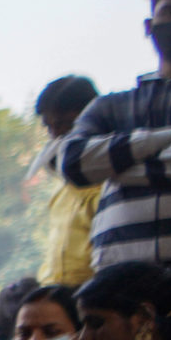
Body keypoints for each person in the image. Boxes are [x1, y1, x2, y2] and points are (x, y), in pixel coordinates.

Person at [61, 0, 171, 306]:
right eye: (170, 10)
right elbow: (73, 163)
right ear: (150, 26)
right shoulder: (111, 105)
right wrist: (170, 137)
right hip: (120, 269)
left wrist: (118, 166)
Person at [35, 76, 101, 290]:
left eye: (64, 124)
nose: (55, 134)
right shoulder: (61, 183)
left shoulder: (111, 179)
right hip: (57, 292)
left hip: (94, 292)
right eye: (49, 126)